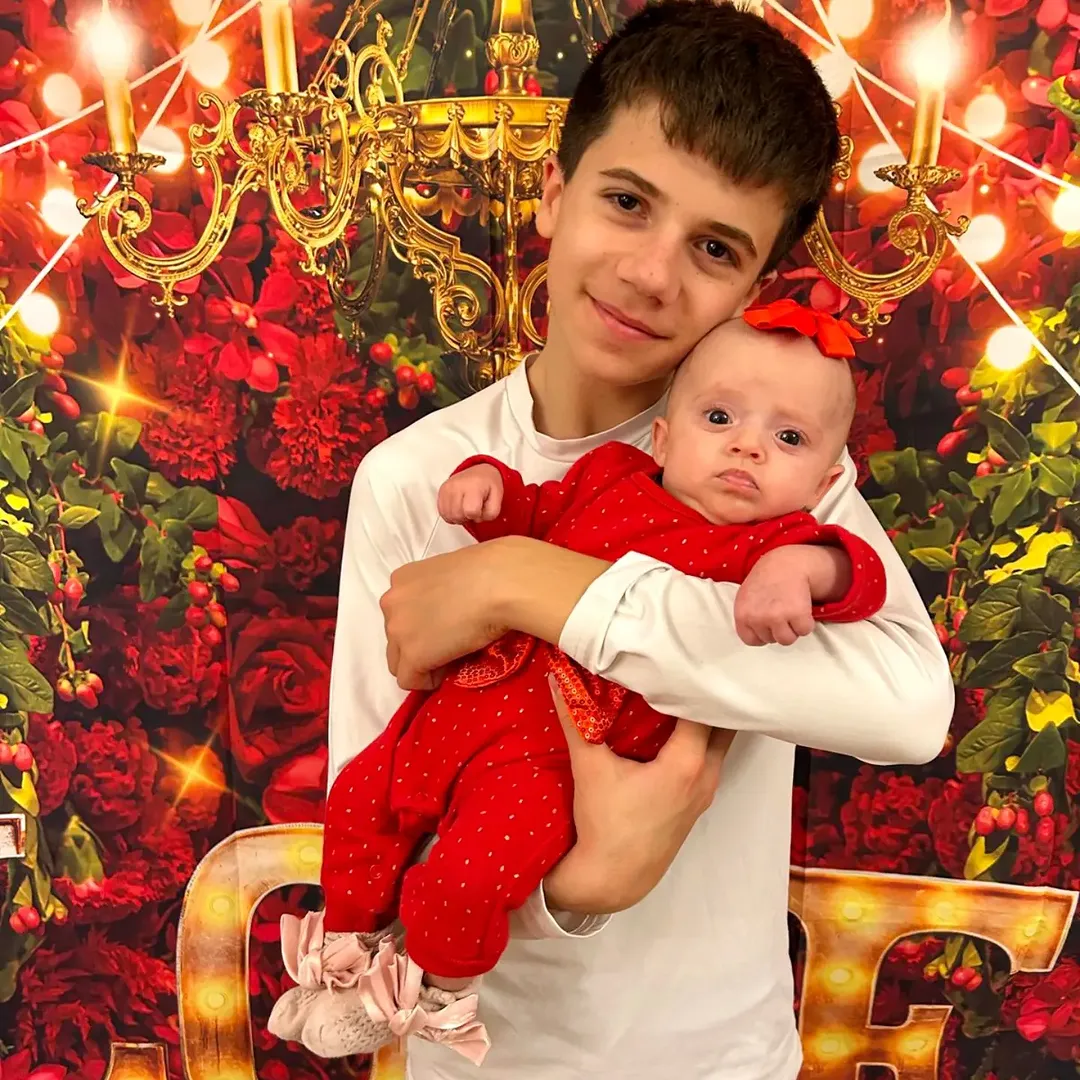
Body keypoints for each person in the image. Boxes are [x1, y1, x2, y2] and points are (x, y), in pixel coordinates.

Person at [297, 3, 955, 1077]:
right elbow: (378, 804)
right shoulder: (418, 477)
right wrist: (584, 887)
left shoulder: (763, 472)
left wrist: (524, 582)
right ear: (555, 193)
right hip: (482, 1062)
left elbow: (909, 707)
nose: (653, 274)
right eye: (627, 202)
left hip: (721, 1060)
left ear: (754, 292)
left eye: (714, 248)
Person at [271, 309, 889, 1063]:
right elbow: (536, 510)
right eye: (719, 418)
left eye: (788, 438)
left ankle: (434, 995)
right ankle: (345, 956)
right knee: (358, 802)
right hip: (459, 707)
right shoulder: (611, 477)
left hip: (549, 761)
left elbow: (860, 575)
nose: (747, 445)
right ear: (663, 438)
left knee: (465, 876)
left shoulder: (769, 541)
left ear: (825, 482)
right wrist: (488, 488)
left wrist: (803, 570)